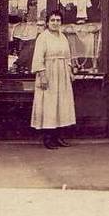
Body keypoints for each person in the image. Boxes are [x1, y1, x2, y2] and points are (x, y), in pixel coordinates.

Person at [30, 10, 76, 149]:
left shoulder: (63, 37)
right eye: (53, 20)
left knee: (61, 105)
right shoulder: (43, 37)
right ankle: (48, 138)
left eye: (58, 20)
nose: (55, 23)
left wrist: (70, 71)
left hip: (61, 74)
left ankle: (58, 137)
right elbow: (38, 58)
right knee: (49, 105)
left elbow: (67, 57)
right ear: (48, 22)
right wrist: (42, 76)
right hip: (48, 74)